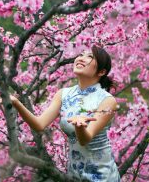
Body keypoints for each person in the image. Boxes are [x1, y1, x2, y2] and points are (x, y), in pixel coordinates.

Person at [10, 46, 121, 182]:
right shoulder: (63, 94)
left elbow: (86, 138)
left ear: (101, 71)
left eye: (90, 57)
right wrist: (16, 103)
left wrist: (79, 126)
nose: (81, 58)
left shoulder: (108, 100)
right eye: (81, 54)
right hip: (74, 174)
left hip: (101, 176)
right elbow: (39, 125)